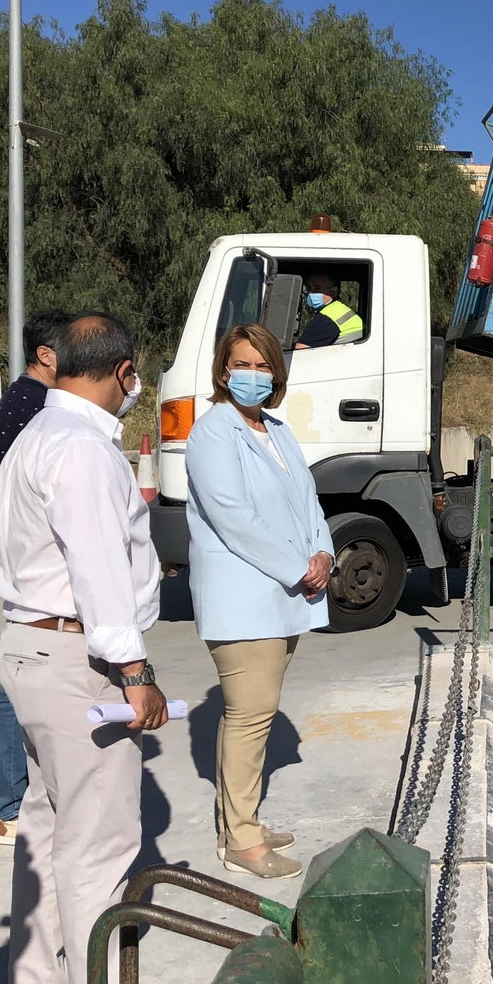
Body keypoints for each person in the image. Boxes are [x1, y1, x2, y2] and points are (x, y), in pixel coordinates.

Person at [0, 314, 167, 984]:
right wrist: (133, 670)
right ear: (124, 372)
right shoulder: (85, 451)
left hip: (27, 647)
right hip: (76, 657)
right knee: (98, 843)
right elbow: (99, 570)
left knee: (42, 825)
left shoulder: (35, 433)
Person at [185, 323, 333, 880]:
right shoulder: (213, 434)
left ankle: (239, 821)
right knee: (250, 716)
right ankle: (241, 841)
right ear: (224, 371)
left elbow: (309, 502)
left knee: (253, 715)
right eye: (241, 364)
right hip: (245, 598)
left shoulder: (276, 429)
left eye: (262, 364)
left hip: (284, 593)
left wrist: (323, 553)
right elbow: (234, 519)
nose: (252, 374)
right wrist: (300, 566)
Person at [0, 309, 75, 848]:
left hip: (24, 559)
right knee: (18, 678)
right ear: (47, 356)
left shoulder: (31, 404)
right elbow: (18, 495)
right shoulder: (29, 407)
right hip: (30, 564)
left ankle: (15, 799)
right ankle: (10, 806)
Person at [292, 270, 363, 348]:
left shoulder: (327, 318)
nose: (311, 293)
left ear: (333, 292)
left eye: (317, 288)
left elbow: (301, 351)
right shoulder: (339, 310)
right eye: (309, 288)